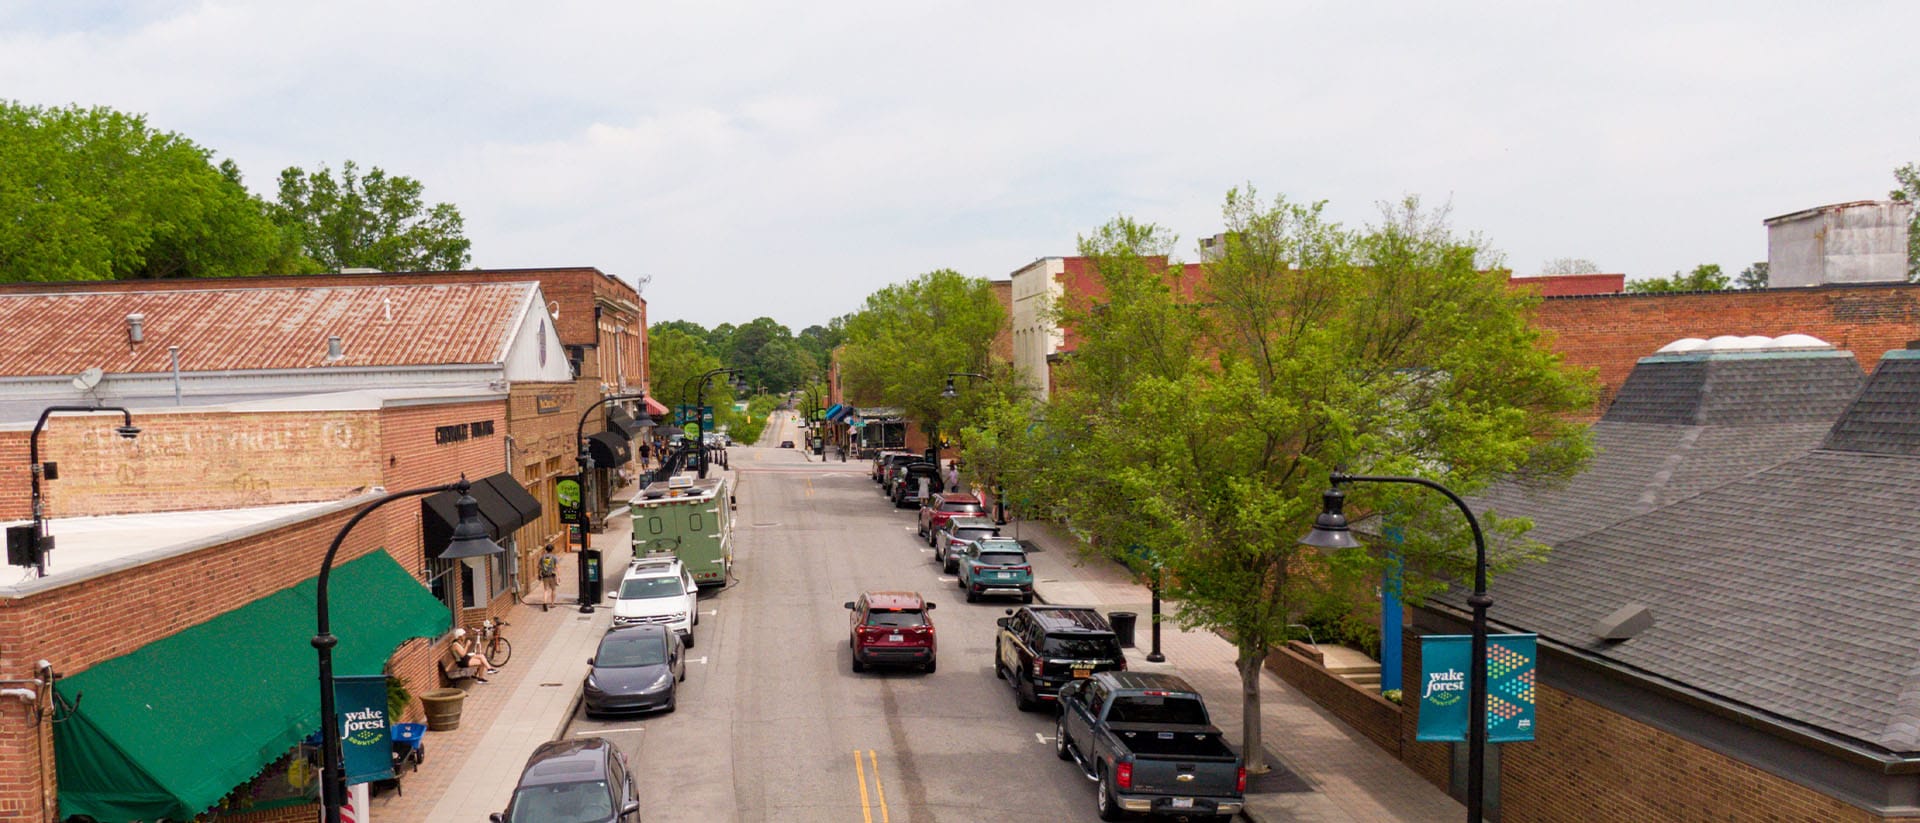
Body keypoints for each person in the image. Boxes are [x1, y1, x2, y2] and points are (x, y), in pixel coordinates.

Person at [538, 544, 559, 612]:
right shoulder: (554, 557)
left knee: (546, 590)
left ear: (546, 550)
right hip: (552, 575)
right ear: (552, 550)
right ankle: (552, 604)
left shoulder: (542, 557)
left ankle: (544, 602)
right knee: (553, 589)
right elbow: (556, 567)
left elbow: (539, 566)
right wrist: (558, 576)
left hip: (545, 576)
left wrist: (539, 574)